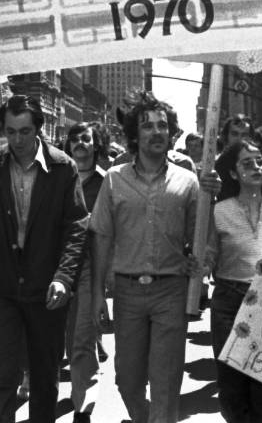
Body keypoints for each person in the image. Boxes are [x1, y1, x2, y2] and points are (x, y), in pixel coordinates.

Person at [0, 95, 87, 423]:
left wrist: (63, 278)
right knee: (0, 379)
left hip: (46, 291)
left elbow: (76, 229)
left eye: (24, 132)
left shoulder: (63, 168)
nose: (17, 140)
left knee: (43, 380)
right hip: (1, 291)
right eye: (10, 132)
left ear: (39, 130)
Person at [90, 91, 199, 423]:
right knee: (127, 379)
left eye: (162, 125)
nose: (156, 132)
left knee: (166, 382)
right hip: (127, 293)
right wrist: (97, 295)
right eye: (147, 126)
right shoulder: (113, 180)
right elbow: (102, 239)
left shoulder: (189, 183)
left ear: (171, 133)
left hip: (171, 292)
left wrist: (201, 260)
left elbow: (201, 240)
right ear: (135, 136)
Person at [205, 137, 262, 423]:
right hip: (229, 302)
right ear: (233, 173)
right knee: (232, 388)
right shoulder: (218, 210)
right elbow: (209, 257)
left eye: (260, 161)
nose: (257, 167)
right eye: (247, 163)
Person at [63, 122, 108, 423]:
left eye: (86, 139)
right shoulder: (55, 177)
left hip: (91, 269)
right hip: (55, 269)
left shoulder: (107, 182)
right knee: (63, 341)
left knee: (82, 341)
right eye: (75, 139)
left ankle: (83, 408)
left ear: (95, 145)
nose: (80, 143)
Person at [219, 114, 262, 203]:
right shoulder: (217, 168)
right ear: (226, 136)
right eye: (234, 134)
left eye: (245, 135)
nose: (240, 139)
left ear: (251, 138)